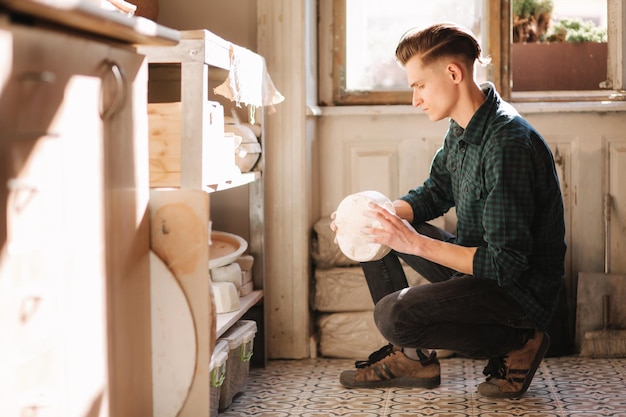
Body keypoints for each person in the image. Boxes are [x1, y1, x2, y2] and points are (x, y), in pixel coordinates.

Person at [330, 22, 566, 399]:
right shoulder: (462, 128)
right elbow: (436, 191)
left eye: (419, 86)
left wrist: (414, 244)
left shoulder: (507, 144)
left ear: (453, 73)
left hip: (516, 294)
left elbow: (506, 265)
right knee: (373, 230)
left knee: (393, 315)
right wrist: (368, 214)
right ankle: (414, 359)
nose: (416, 99)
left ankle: (519, 340)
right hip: (478, 270)